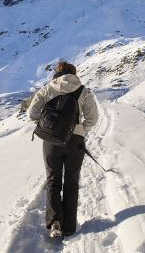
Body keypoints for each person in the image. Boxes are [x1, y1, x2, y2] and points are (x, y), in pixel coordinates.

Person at [27, 61, 99, 237]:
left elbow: (32, 114)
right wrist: (80, 130)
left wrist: (47, 126)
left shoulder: (47, 89)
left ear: (56, 74)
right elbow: (92, 118)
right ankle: (69, 226)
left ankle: (54, 222)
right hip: (75, 141)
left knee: (53, 179)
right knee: (71, 181)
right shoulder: (83, 91)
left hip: (52, 140)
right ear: (74, 74)